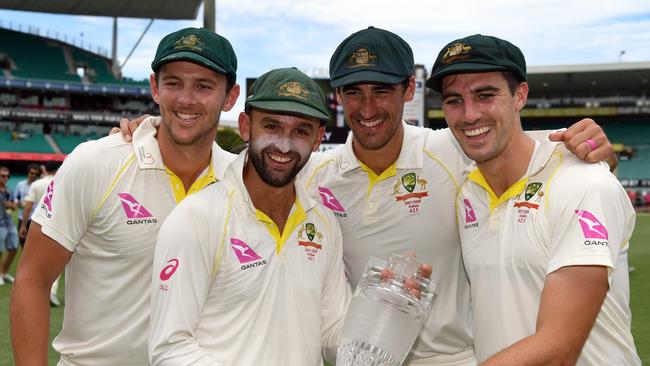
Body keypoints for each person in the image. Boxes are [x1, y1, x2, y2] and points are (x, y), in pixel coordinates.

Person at [119, 26, 615, 366]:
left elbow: (515, 142)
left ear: (408, 90)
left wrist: (587, 146)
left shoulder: (456, 150)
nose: (368, 107)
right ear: (337, 99)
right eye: (353, 92)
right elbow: (254, 169)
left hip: (463, 359)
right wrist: (154, 129)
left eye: (382, 90)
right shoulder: (317, 173)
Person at [10, 27, 240, 365]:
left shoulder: (242, 182)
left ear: (230, 97)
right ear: (154, 88)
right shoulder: (95, 162)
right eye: (173, 83)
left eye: (204, 86)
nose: (186, 99)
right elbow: (32, 279)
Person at [428, 34, 640, 365]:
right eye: (454, 100)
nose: (469, 115)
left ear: (520, 95)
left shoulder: (583, 181)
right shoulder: (468, 189)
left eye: (485, 96)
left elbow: (558, 349)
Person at [148, 67, 349, 365]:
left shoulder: (323, 224)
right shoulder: (197, 217)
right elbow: (169, 347)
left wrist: (389, 316)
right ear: (245, 126)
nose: (284, 144)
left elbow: (334, 334)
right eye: (271, 126)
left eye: (301, 131)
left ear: (319, 137)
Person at [20, 161, 62, 306]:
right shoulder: (61, 182)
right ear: (57, 169)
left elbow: (28, 207)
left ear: (44, 169)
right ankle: (51, 292)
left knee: (34, 260)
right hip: (57, 225)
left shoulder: (36, 184)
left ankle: (30, 291)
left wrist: (23, 225)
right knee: (56, 261)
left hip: (38, 223)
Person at [13, 163, 41, 247]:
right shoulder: (20, 184)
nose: (33, 175)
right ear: (28, 173)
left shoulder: (39, 185)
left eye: (36, 174)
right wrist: (17, 202)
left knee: (33, 245)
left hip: (35, 219)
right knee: (22, 241)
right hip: (22, 217)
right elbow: (16, 197)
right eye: (31, 173)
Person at [0, 166, 18, 286]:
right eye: (3, 176)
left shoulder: (9, 191)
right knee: (0, 251)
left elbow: (12, 206)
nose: (5, 178)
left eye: (7, 176)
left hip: (9, 222)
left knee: (14, 248)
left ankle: (4, 273)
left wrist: (12, 205)